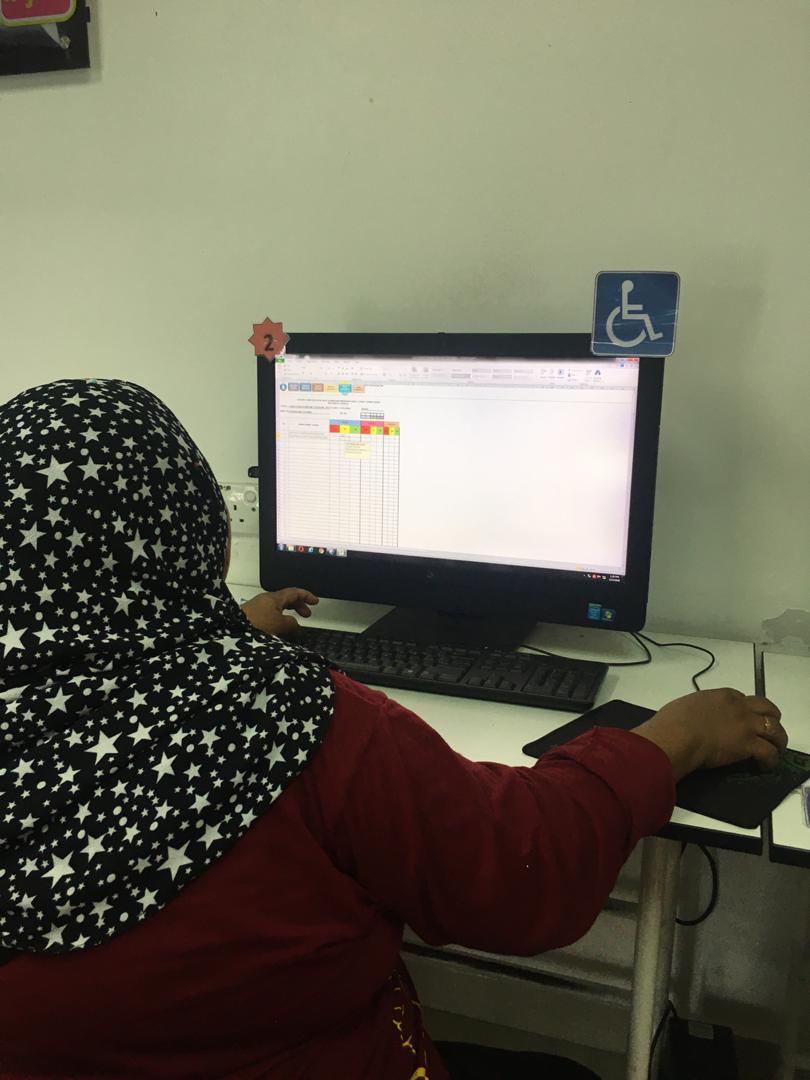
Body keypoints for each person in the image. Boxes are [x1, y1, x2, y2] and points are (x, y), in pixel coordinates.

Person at [0, 379, 786, 1080]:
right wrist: (674, 738)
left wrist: (216, 635)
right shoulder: (288, 717)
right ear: (196, 527)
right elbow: (519, 871)